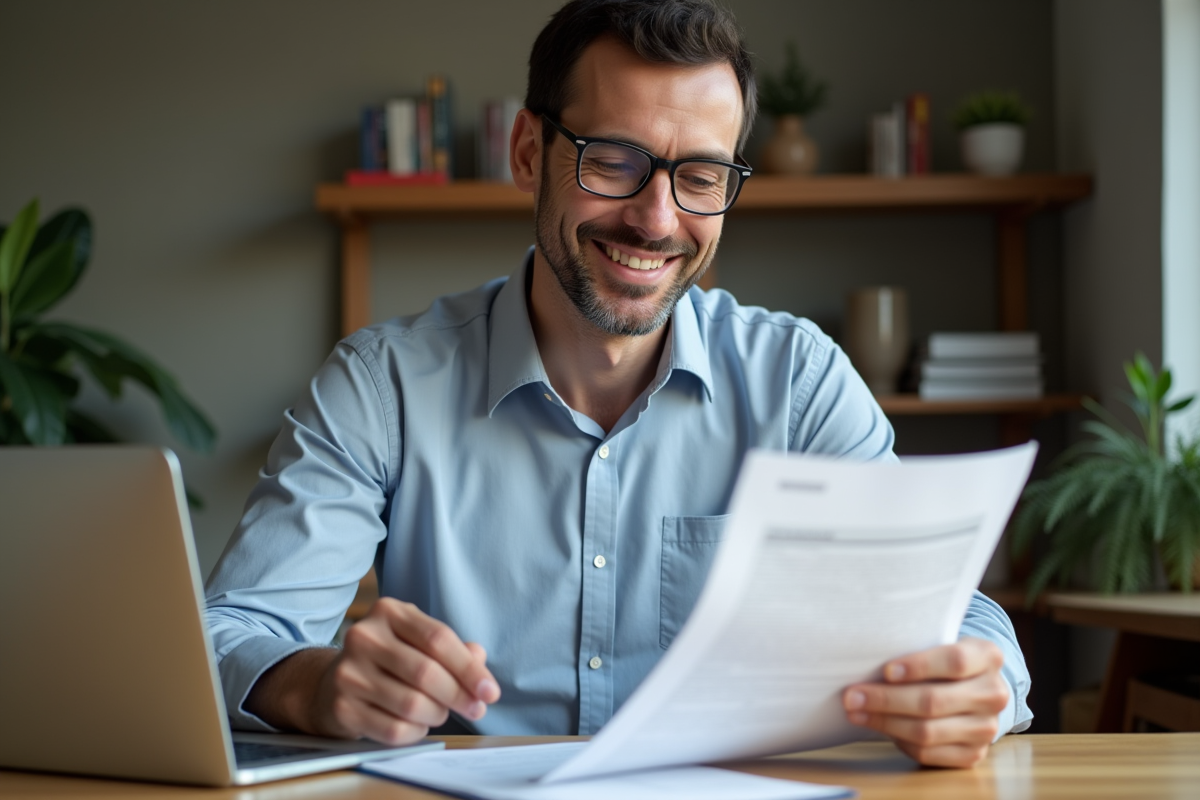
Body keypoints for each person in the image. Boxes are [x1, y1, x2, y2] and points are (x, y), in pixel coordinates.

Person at [205, 0, 1030, 769]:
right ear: (530, 153)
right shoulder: (381, 386)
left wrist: (976, 686)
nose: (657, 220)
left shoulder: (800, 382)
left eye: (700, 176)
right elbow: (228, 630)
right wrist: (311, 684)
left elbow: (950, 612)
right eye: (614, 161)